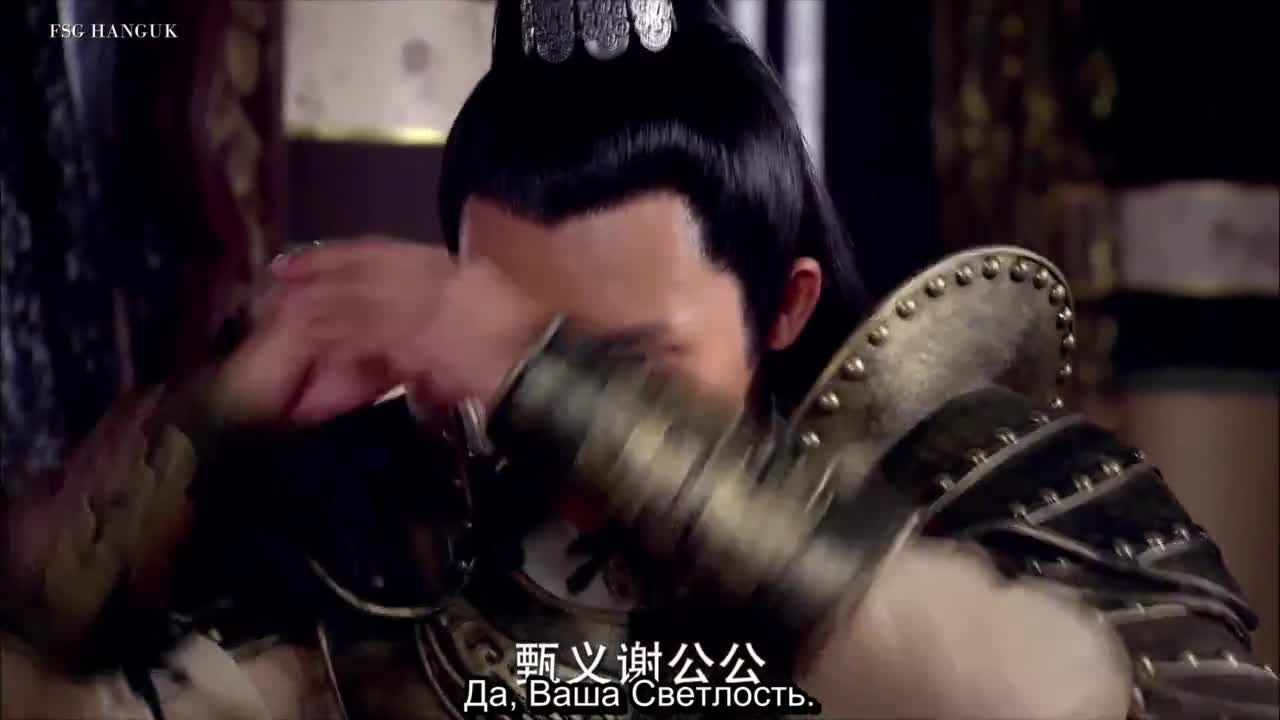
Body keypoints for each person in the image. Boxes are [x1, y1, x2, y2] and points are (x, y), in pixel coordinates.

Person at [3, 1, 1277, 718]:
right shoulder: (404, 543)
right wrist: (220, 417)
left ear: (782, 307)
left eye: (623, 357)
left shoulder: (980, 484)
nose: (531, 409)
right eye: (492, 344)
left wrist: (551, 381)